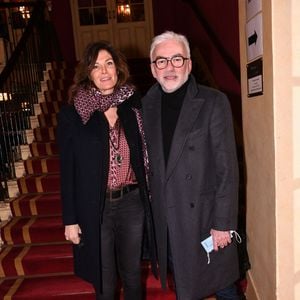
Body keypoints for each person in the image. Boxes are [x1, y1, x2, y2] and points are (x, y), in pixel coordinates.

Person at [142, 31, 241, 299]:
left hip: (205, 218)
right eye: (161, 61)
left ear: (189, 64)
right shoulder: (144, 107)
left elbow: (227, 169)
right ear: (153, 69)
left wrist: (223, 223)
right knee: (185, 287)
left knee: (224, 287)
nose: (170, 67)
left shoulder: (213, 102)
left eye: (177, 59)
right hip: (168, 220)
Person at [57, 41, 156, 300]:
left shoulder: (134, 106)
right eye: (96, 66)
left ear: (118, 68)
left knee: (133, 274)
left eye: (109, 63)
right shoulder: (74, 115)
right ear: (87, 73)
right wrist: (70, 219)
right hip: (95, 208)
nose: (104, 71)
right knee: (104, 280)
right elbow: (67, 171)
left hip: (132, 203)